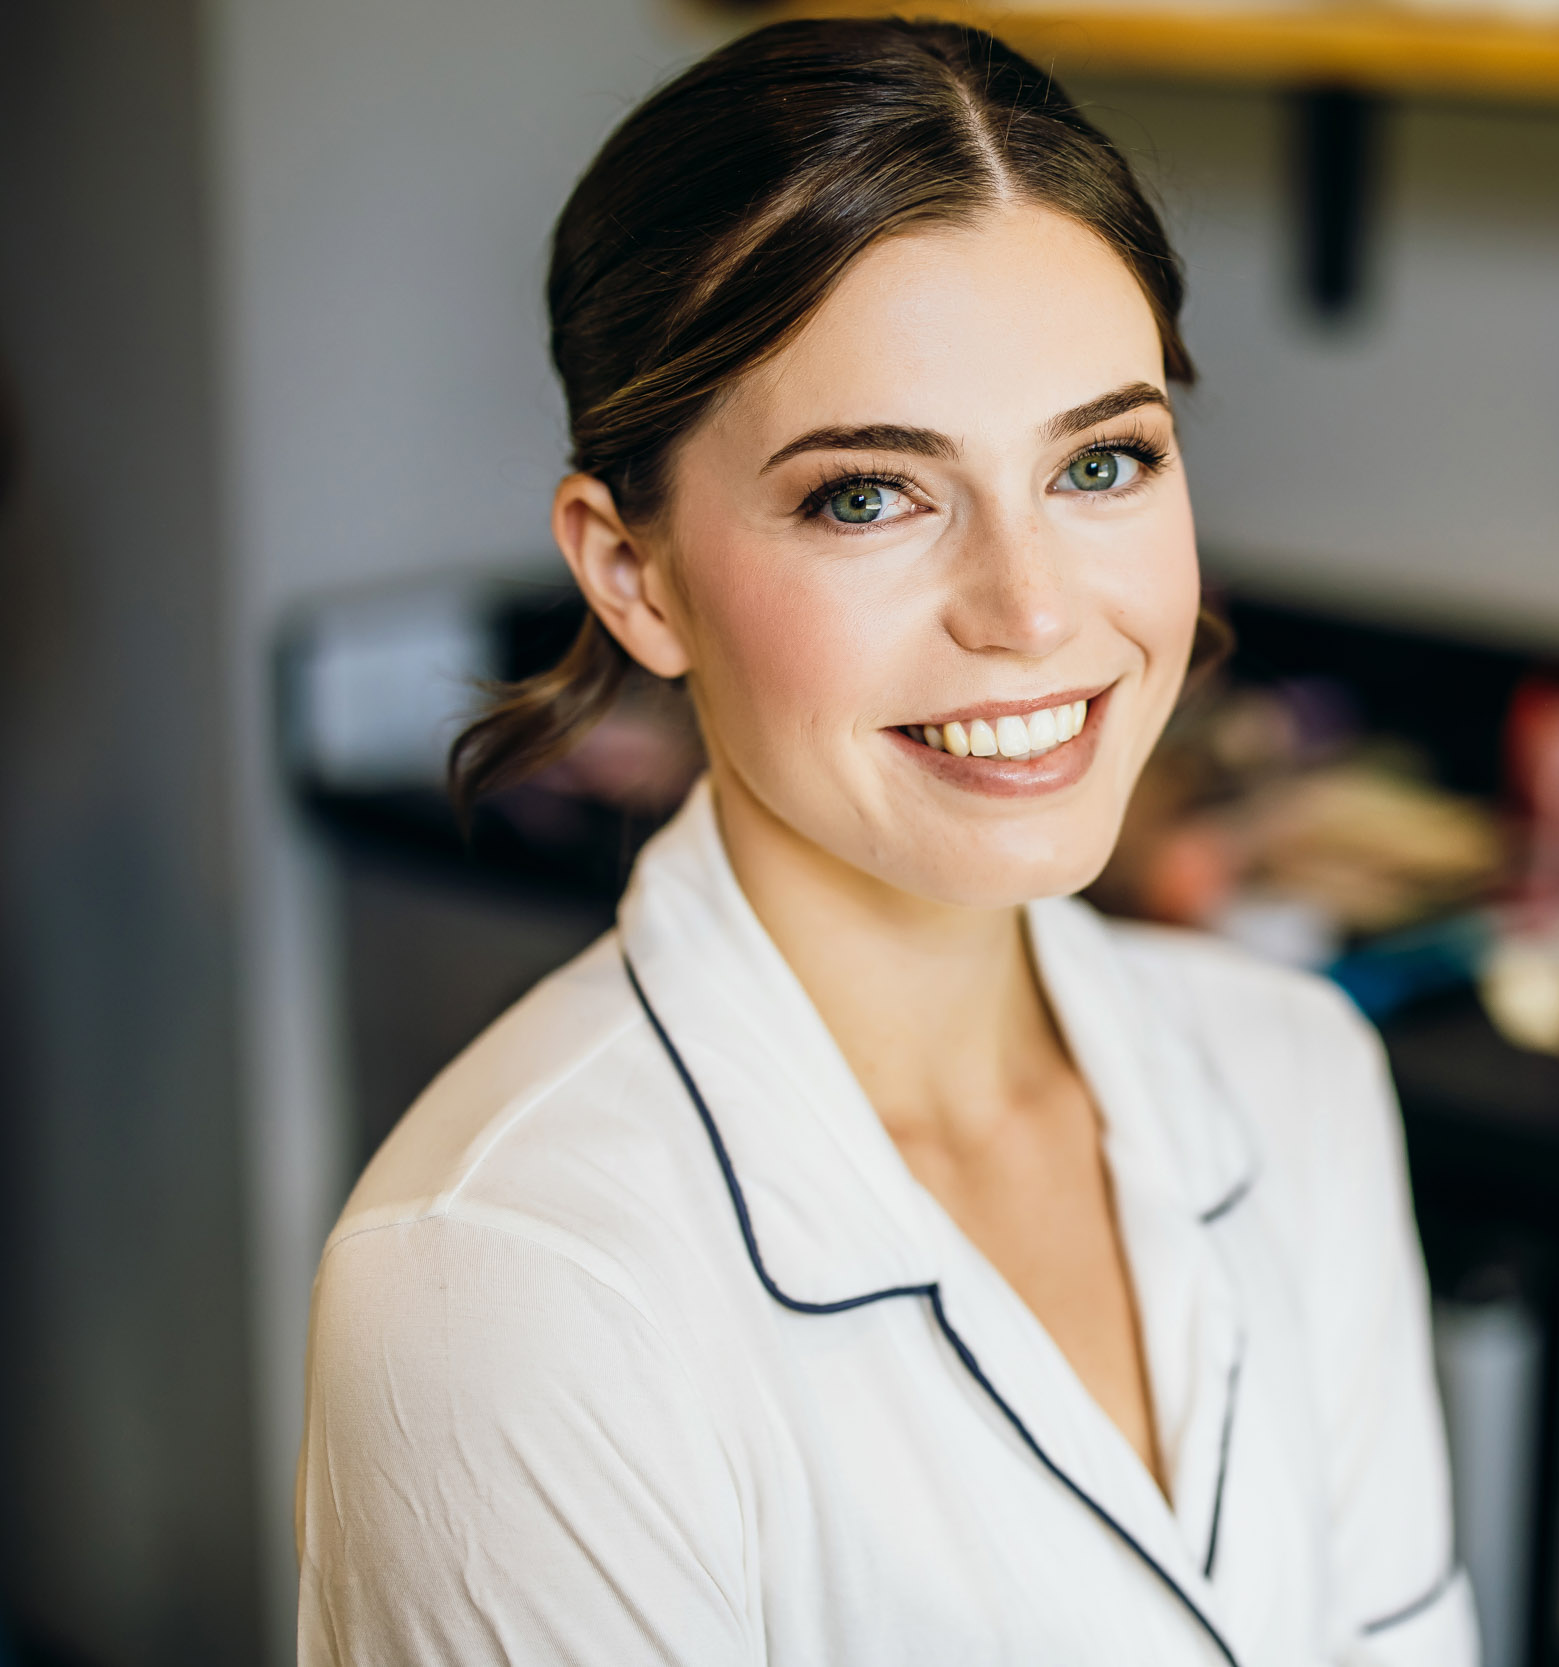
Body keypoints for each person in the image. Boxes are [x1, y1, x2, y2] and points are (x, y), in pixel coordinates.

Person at [293, 19, 1473, 1667]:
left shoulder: (1297, 1082)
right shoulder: (504, 1286)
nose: (1034, 610)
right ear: (633, 574)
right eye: (869, 496)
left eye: (1104, 462)